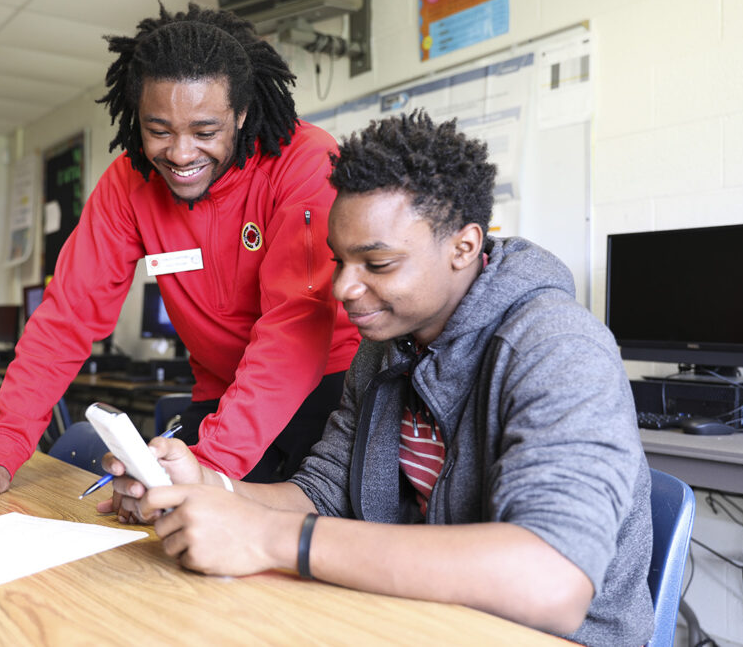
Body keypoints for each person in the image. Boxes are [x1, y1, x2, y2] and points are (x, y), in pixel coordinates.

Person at [107, 112, 654, 645]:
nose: (344, 288)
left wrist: (271, 539)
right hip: (420, 619)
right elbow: (322, 493)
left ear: (464, 247)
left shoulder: (557, 348)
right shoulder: (386, 346)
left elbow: (552, 580)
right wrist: (207, 487)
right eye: (339, 261)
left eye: (378, 263)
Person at [0, 4, 360, 503]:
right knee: (150, 522)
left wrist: (207, 468)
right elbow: (67, 317)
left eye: (205, 132)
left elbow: (294, 330)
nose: (181, 154)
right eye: (159, 131)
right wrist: (3, 450)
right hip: (218, 393)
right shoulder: (129, 182)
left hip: (327, 387)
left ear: (243, 114)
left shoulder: (305, 162)